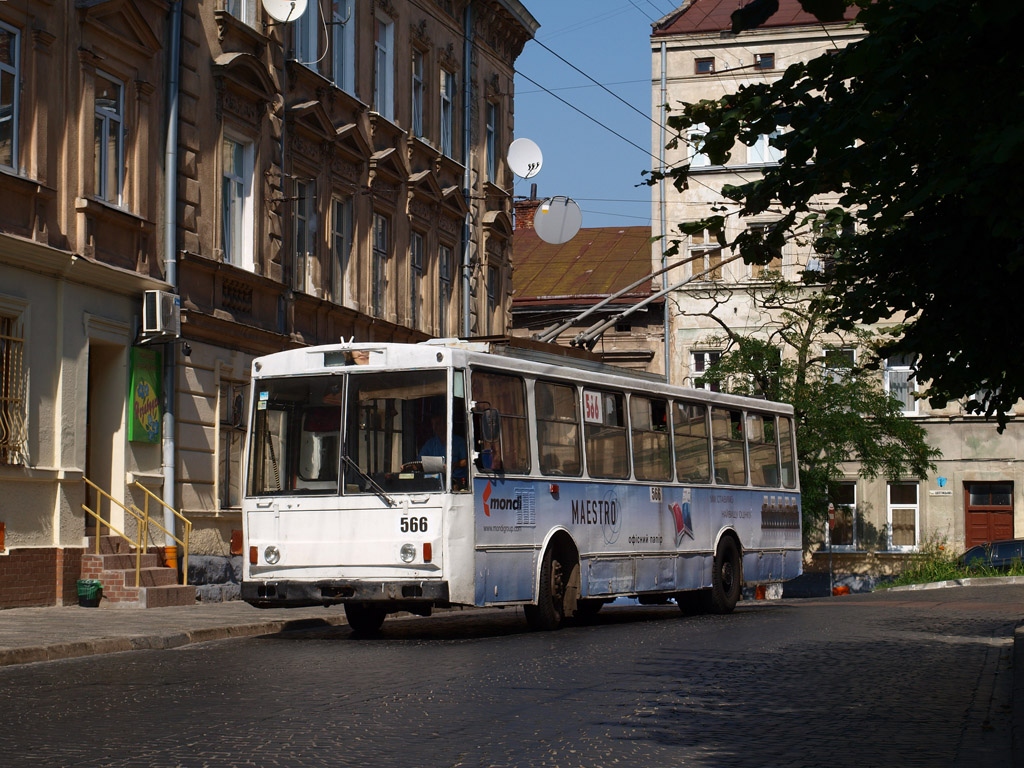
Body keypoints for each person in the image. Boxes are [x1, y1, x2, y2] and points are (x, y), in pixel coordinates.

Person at [404, 414, 467, 486]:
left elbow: (466, 461)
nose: (435, 427)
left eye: (437, 424)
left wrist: (452, 465)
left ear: (446, 424)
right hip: (434, 481)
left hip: (456, 481)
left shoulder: (459, 442)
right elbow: (420, 462)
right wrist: (410, 467)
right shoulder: (430, 443)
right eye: (433, 425)